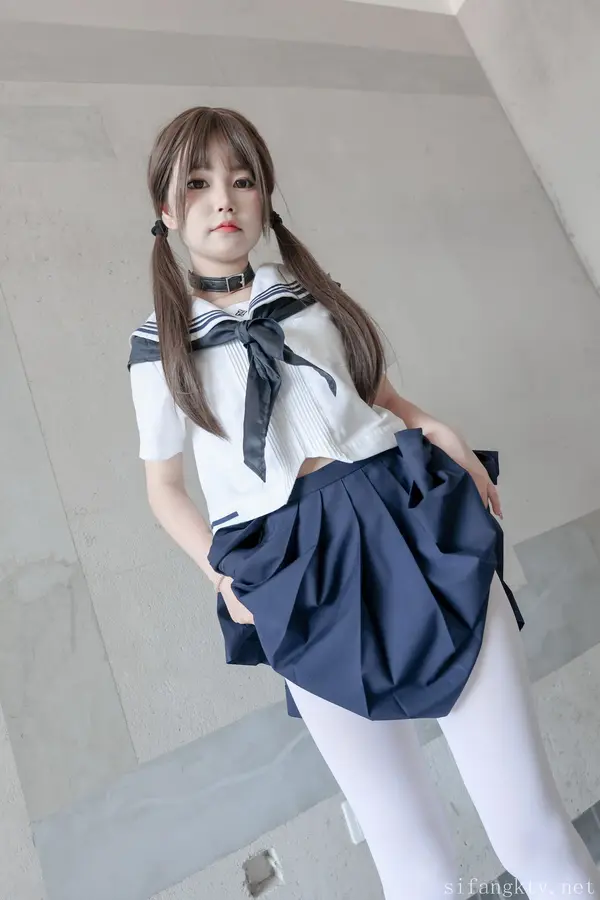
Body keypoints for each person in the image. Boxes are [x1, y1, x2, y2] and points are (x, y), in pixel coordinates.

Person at [128, 106, 597, 899]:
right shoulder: (157, 347)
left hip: (411, 525)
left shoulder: (311, 297)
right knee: (409, 857)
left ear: (265, 197)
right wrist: (221, 575)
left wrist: (437, 430)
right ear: (167, 210)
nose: (224, 199)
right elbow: (163, 488)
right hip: (294, 577)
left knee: (529, 829)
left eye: (242, 180)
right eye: (198, 183)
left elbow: (383, 399)